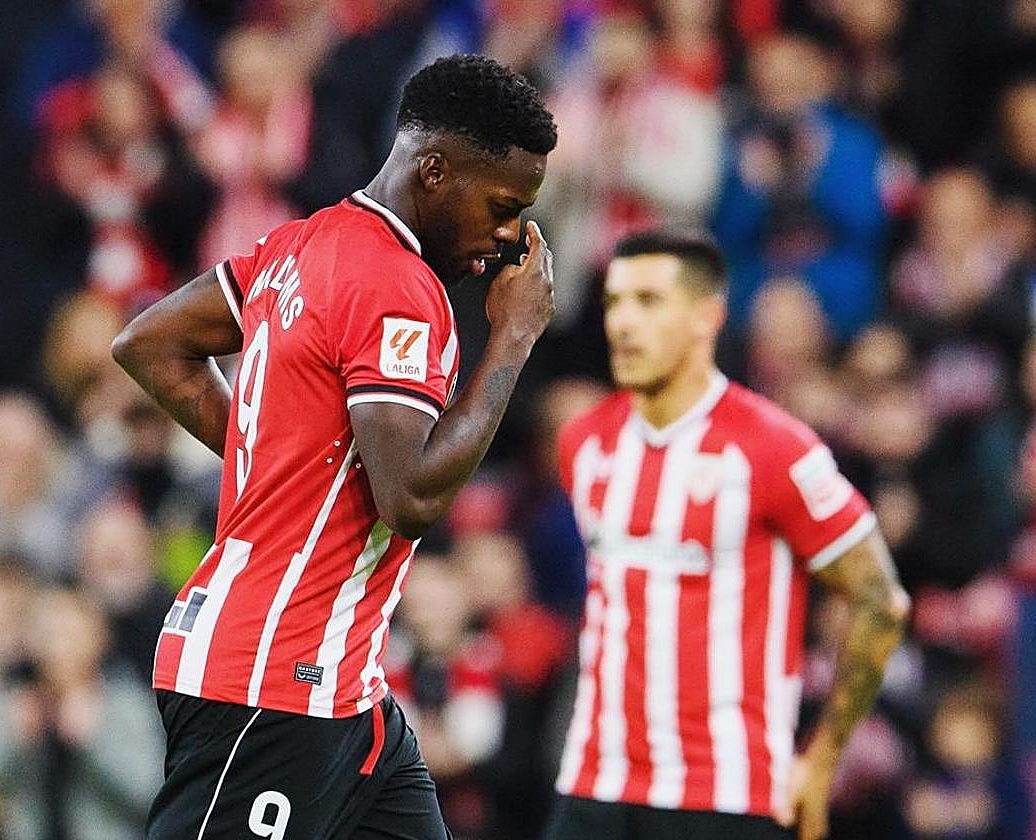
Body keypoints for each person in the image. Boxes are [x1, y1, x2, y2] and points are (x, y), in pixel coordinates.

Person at [111, 53, 558, 839]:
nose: (507, 235)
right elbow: (410, 497)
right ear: (434, 171)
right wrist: (513, 338)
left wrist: (275, 464)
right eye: (501, 205)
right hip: (272, 681)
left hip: (344, 686)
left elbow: (150, 343)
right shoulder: (398, 285)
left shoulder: (303, 243)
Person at [545, 230, 911, 840]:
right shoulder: (583, 442)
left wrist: (820, 761)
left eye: (648, 301)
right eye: (614, 302)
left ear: (706, 317)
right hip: (593, 783)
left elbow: (881, 600)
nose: (623, 323)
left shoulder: (775, 448)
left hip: (727, 795)